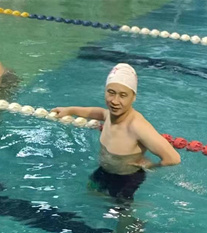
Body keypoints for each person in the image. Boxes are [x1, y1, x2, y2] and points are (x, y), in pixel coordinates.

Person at [52, 63, 181, 203]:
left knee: (119, 211)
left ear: (133, 97)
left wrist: (150, 166)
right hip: (104, 170)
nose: (114, 101)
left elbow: (173, 158)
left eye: (123, 95)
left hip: (126, 178)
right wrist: (70, 110)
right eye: (111, 92)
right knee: (92, 191)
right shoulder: (109, 114)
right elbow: (99, 112)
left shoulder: (137, 127)